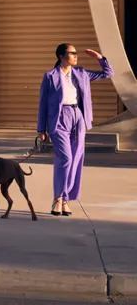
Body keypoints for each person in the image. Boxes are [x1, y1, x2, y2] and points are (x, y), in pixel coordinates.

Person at [36, 44, 114, 216]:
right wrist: (41, 128)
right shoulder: (50, 76)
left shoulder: (81, 73)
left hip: (78, 117)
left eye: (76, 53)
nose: (76, 56)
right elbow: (42, 103)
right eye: (72, 53)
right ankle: (57, 198)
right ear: (61, 56)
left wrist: (100, 58)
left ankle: (65, 199)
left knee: (76, 159)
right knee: (65, 158)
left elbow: (108, 73)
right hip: (59, 119)